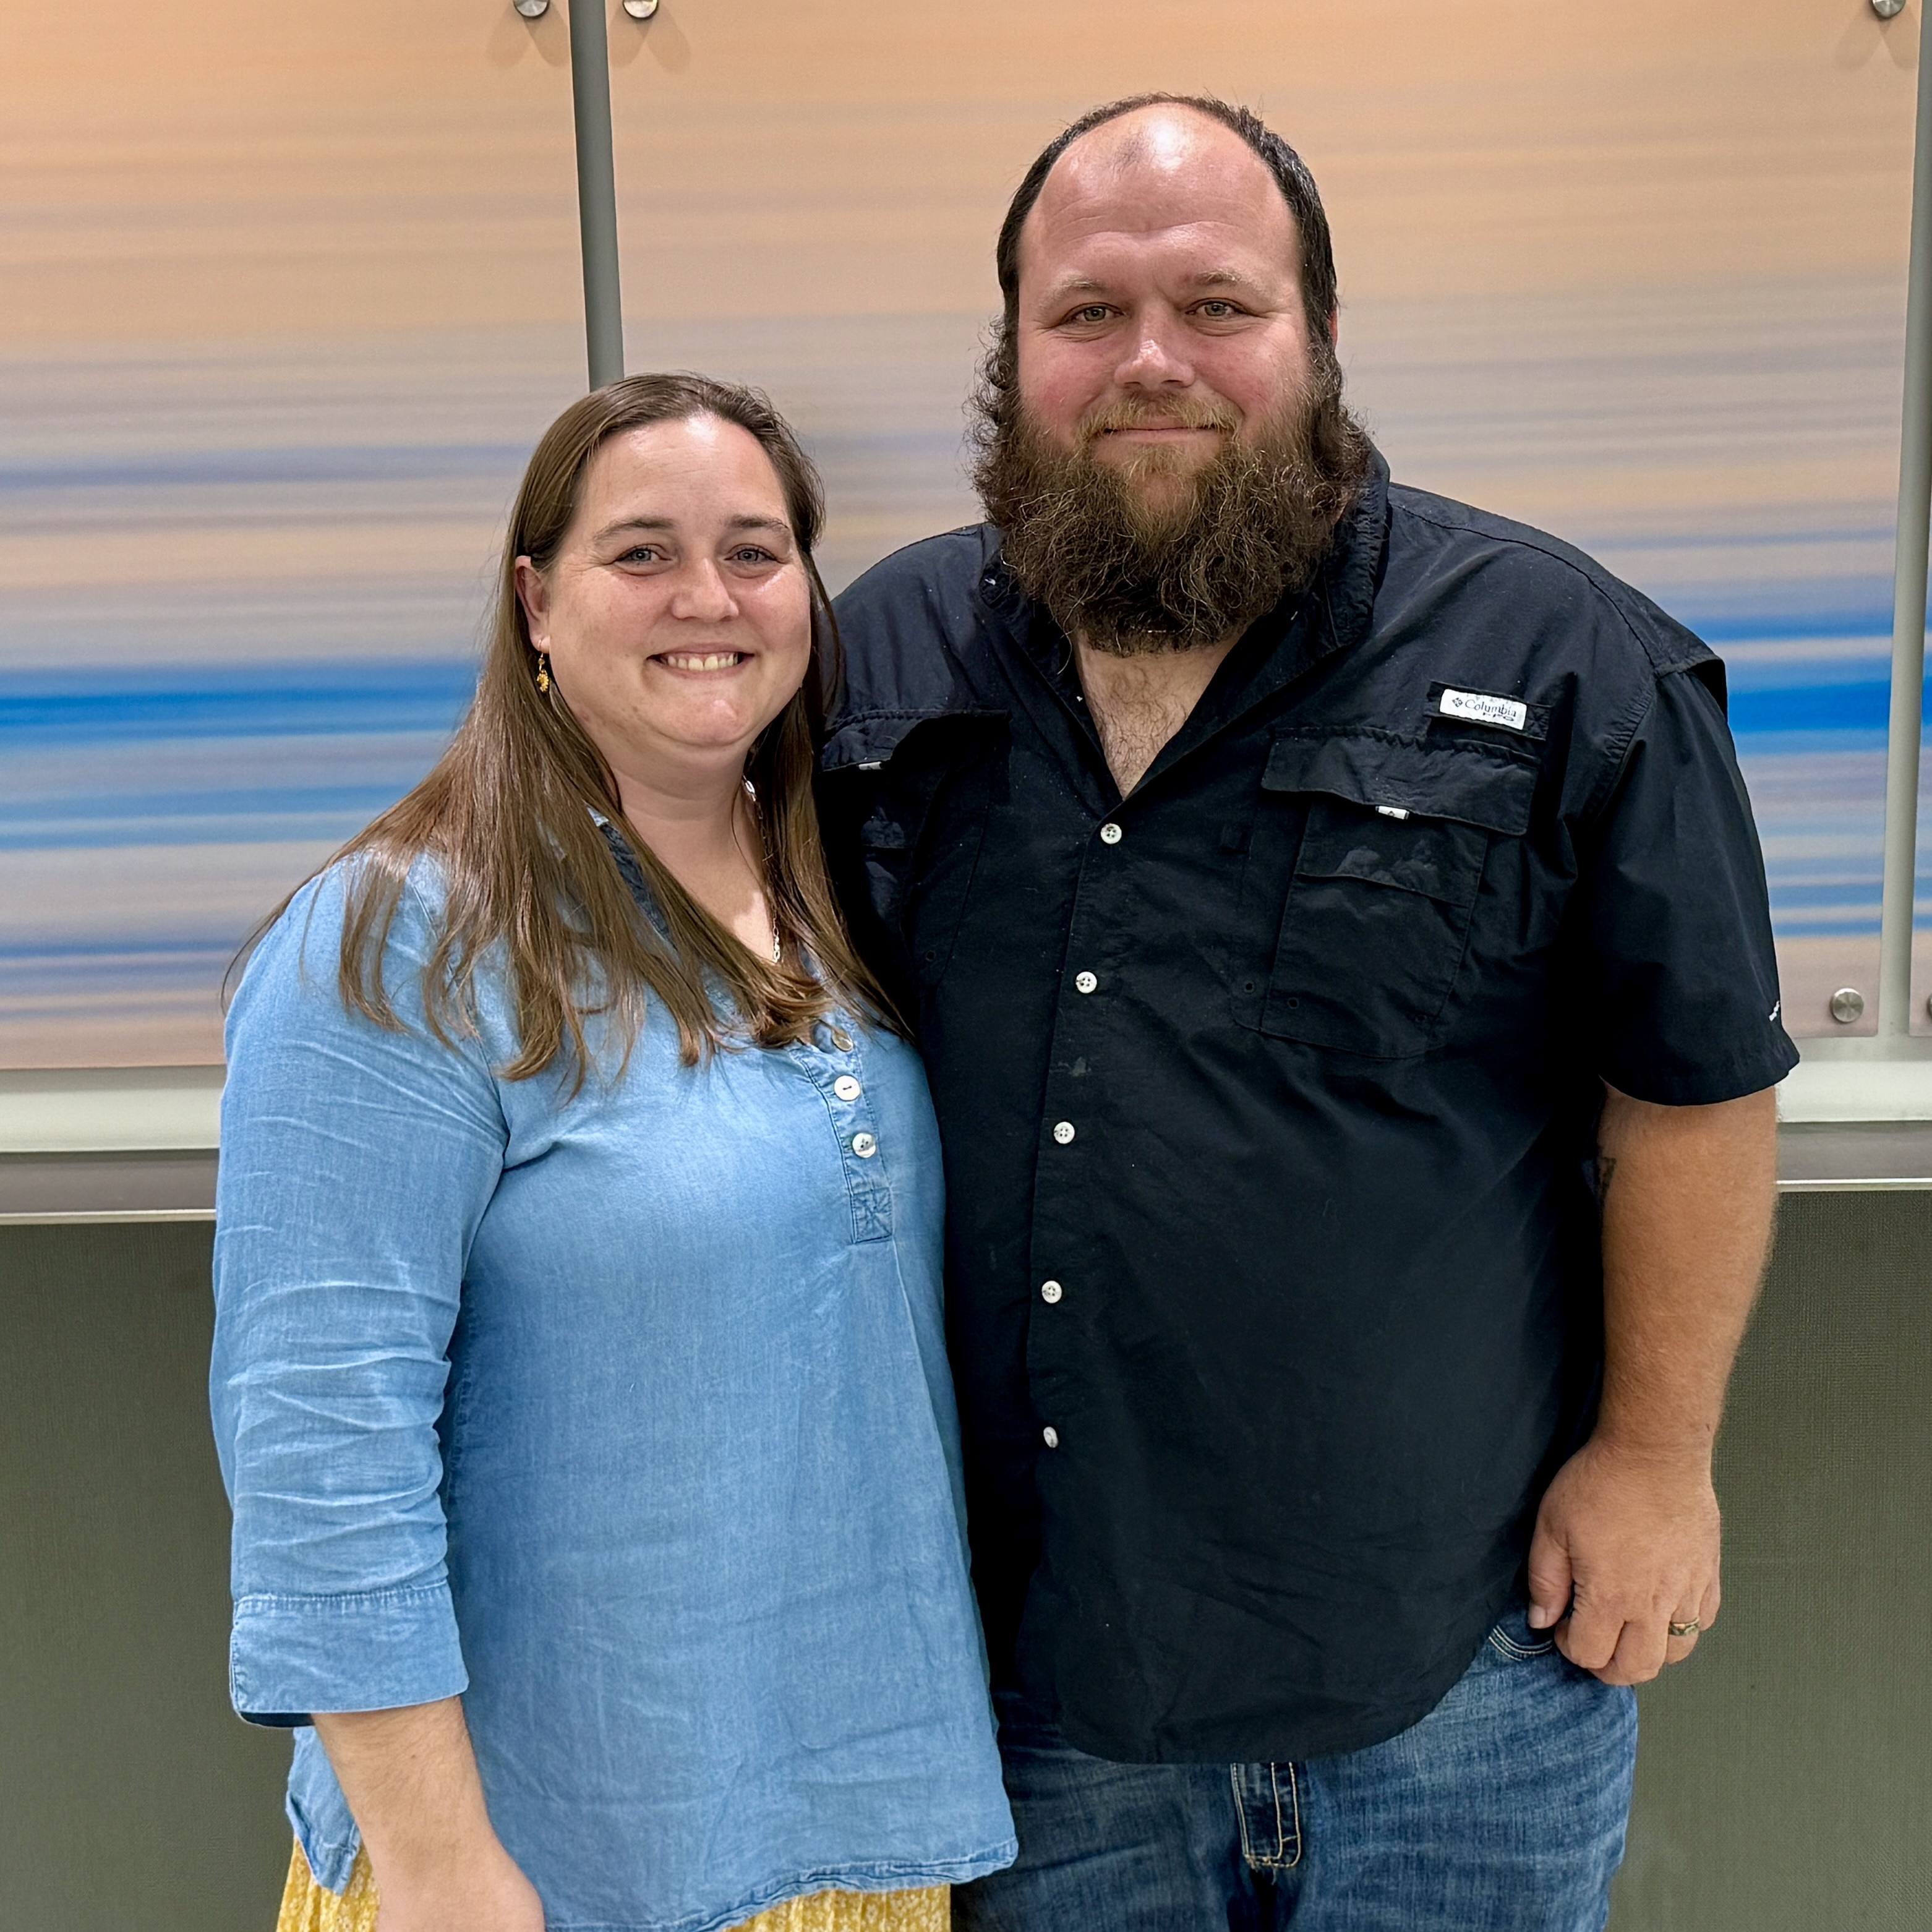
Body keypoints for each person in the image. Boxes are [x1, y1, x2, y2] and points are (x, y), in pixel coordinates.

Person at [819, 95, 1794, 1931]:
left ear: (1318, 341)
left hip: (1465, 1671)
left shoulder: (1567, 660)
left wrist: (1656, 1458)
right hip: (1022, 1693)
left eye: (1217, 305)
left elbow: (1691, 1088)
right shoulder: (873, 664)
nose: (1150, 363)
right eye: (1086, 314)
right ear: (1011, 350)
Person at [210, 374, 1014, 1932]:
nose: (705, 597)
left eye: (755, 551)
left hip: (860, 1841)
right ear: (534, 601)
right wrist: (446, 1872)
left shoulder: (840, 907)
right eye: (639, 551)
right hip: (543, 1863)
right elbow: (320, 1444)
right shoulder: (395, 944)